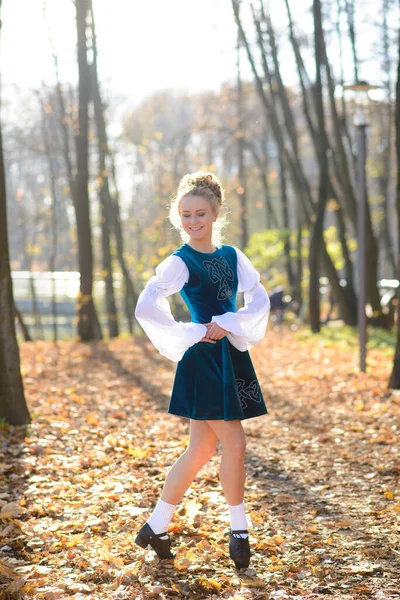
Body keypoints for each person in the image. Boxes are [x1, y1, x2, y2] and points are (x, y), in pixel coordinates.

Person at [134, 172, 270, 570]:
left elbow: (258, 297)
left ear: (215, 214)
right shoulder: (180, 261)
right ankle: (239, 530)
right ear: (179, 218)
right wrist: (192, 330)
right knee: (236, 445)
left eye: (201, 214)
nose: (194, 221)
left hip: (229, 355)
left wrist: (231, 321)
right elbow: (147, 305)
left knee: (202, 449)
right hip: (203, 360)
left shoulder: (231, 256)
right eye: (186, 214)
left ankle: (155, 526)